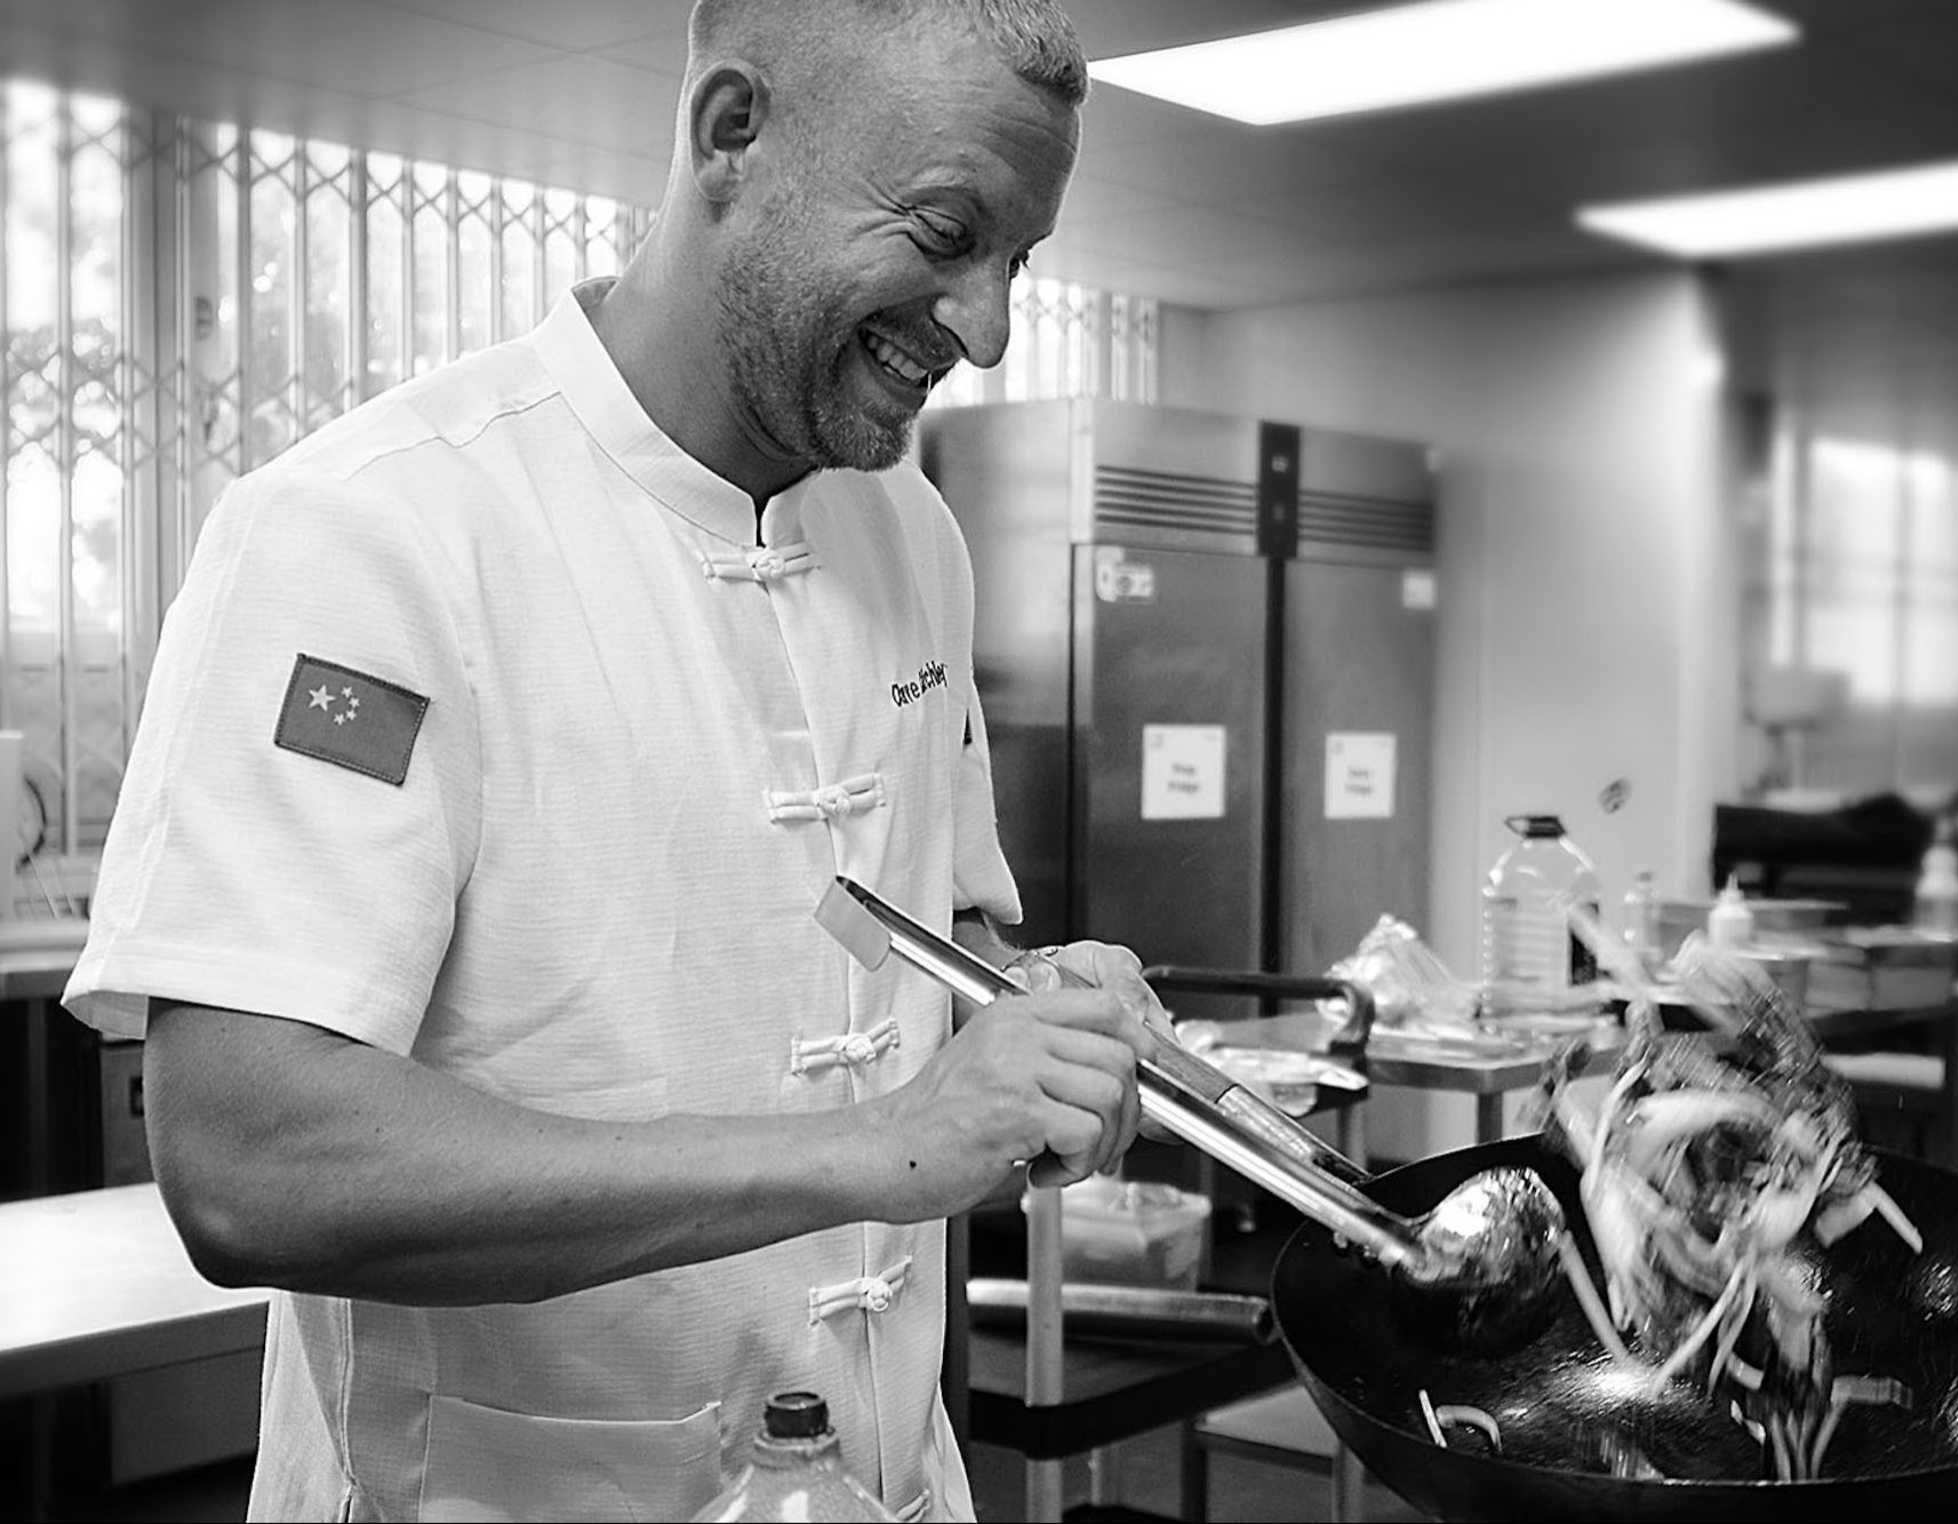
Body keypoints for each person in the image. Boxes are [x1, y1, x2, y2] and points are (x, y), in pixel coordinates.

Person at [63, 2, 1148, 1518]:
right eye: (945, 234)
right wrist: (875, 1146)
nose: (986, 330)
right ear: (730, 132)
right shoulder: (371, 531)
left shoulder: (911, 532)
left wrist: (1036, 1021)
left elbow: (922, 945)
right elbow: (253, 1162)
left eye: (1017, 262)